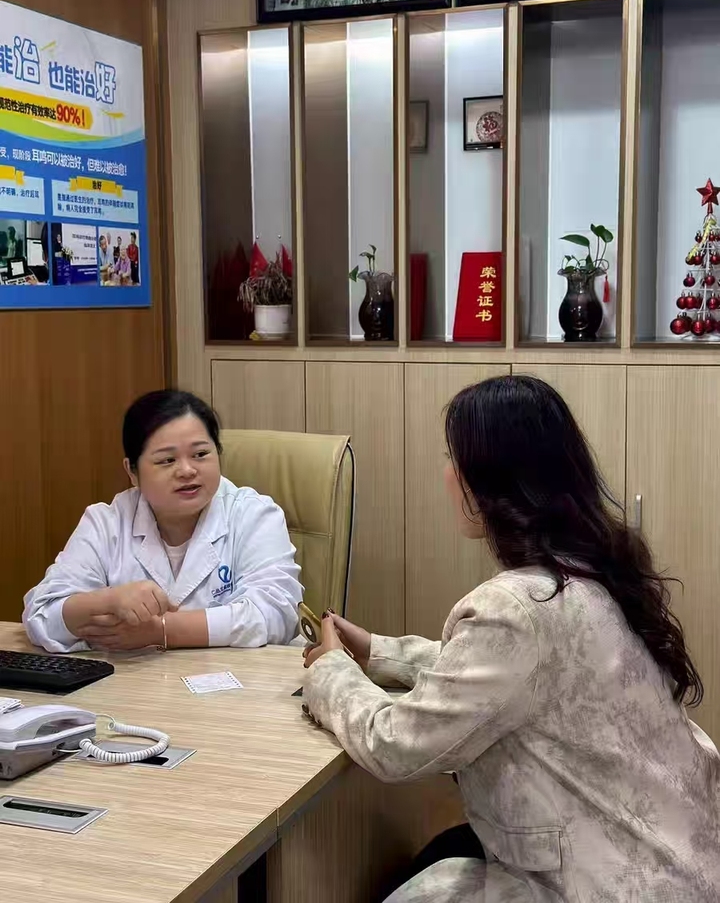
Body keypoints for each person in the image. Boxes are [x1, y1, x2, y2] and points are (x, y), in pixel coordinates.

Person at [302, 375, 720, 902]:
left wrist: (331, 670)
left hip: (601, 884)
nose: (447, 474)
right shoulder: (589, 573)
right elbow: (516, 679)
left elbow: (394, 745)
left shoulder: (519, 607)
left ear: (490, 480)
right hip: (677, 863)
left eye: (453, 459)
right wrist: (378, 651)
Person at [24, 389, 302, 653]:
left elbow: (277, 614)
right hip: (137, 680)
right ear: (132, 471)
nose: (187, 470)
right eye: (167, 460)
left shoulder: (253, 514)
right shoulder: (107, 522)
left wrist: (162, 631)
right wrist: (106, 600)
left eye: (201, 454)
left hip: (238, 680)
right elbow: (41, 615)